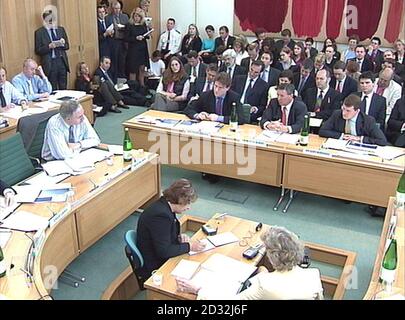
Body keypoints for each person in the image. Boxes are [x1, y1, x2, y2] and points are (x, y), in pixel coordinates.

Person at [176, 226, 324, 300]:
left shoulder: (265, 285)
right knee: (261, 269)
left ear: (273, 256)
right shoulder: (313, 275)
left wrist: (197, 290)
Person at [136, 179, 206, 280]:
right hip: (156, 264)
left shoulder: (165, 205)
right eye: (187, 203)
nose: (189, 207)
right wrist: (190, 246)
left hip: (158, 251)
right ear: (179, 200)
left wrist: (178, 238)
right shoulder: (160, 216)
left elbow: (164, 233)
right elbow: (164, 251)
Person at [319, 94, 387, 146]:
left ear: (357, 111)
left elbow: (382, 141)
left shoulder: (368, 120)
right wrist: (342, 136)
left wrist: (359, 139)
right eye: (343, 109)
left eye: (348, 111)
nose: (344, 113)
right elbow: (322, 131)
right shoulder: (337, 114)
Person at [34, 9, 70, 90]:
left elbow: (67, 46)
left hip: (62, 61)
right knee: (53, 88)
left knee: (63, 87)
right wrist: (49, 47)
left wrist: (62, 43)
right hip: (50, 63)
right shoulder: (39, 32)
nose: (51, 22)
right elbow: (38, 50)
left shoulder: (61, 29)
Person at [126, 8, 150, 87]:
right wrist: (136, 38)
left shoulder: (143, 25)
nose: (136, 18)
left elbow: (147, 36)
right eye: (135, 16)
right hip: (133, 50)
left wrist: (146, 34)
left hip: (142, 50)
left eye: (138, 17)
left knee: (142, 69)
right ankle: (133, 87)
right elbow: (126, 38)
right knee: (133, 69)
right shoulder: (129, 25)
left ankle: (142, 86)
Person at [105, 0, 129, 79]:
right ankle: (115, 79)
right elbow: (106, 30)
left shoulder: (125, 17)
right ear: (112, 8)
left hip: (123, 42)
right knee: (114, 62)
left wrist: (123, 28)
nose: (117, 10)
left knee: (122, 62)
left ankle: (122, 79)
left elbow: (129, 29)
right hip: (113, 41)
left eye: (118, 8)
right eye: (115, 8)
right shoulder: (108, 18)